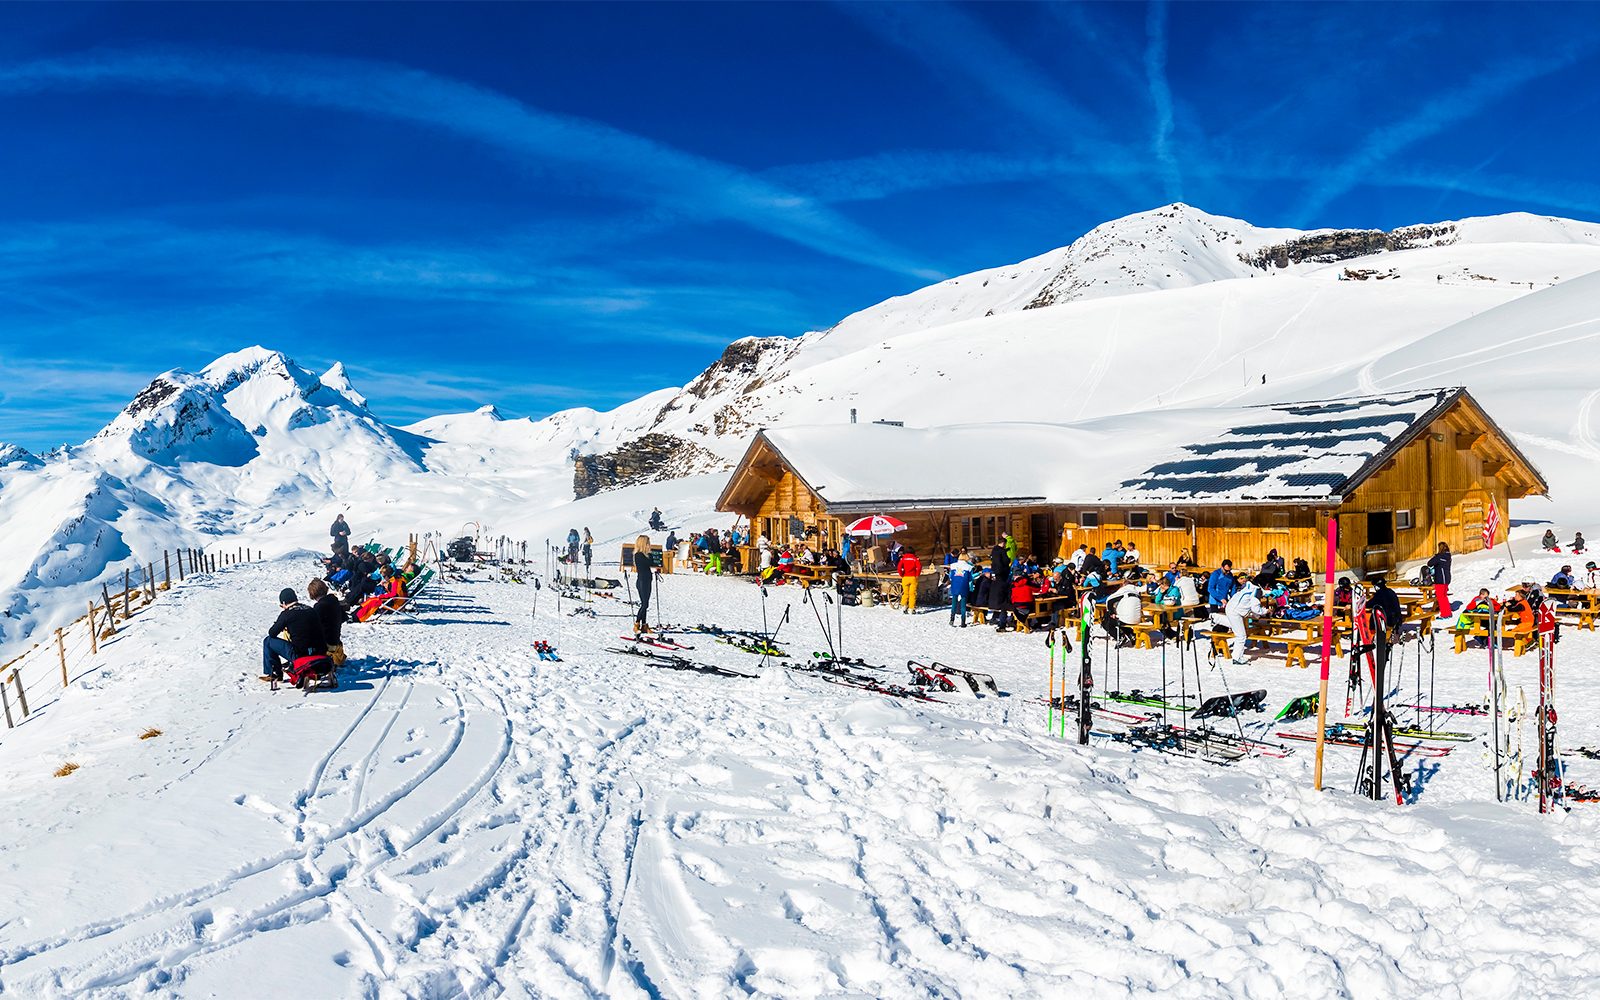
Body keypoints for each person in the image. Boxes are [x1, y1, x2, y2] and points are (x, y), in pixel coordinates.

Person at [261, 587, 327, 683]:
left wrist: (285, 626)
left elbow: (272, 633)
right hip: (320, 652)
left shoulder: (287, 614)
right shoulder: (311, 610)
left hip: (300, 654)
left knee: (268, 641)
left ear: (284, 603)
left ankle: (274, 674)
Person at [1222, 573, 1267, 664]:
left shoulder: (1248, 585)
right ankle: (1237, 658)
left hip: (1231, 606)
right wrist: (1265, 611)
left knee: (1235, 627)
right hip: (1236, 611)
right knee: (1241, 636)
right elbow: (1255, 609)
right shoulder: (1257, 590)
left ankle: (1216, 617)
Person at [307, 578, 346, 668]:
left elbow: (312, 626)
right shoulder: (333, 600)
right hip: (335, 640)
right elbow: (343, 617)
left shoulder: (319, 607)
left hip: (327, 643)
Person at [632, 535, 655, 633]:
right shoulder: (639, 555)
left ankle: (644, 625)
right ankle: (637, 623)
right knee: (644, 604)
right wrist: (650, 554)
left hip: (647, 580)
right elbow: (649, 562)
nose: (649, 545)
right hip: (642, 581)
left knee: (646, 604)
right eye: (647, 544)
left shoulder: (645, 555)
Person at [1425, 542, 1453, 616]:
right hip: (1447, 578)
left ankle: (1445, 614)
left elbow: (1429, 563)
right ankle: (1448, 612)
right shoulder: (1448, 556)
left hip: (1440, 579)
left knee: (1440, 597)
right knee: (1444, 596)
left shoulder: (1439, 557)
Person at [989, 540, 1012, 629]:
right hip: (1003, 573)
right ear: (1003, 543)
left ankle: (995, 616)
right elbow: (1006, 561)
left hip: (996, 572)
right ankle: (1000, 617)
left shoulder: (994, 550)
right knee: (1003, 596)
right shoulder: (1002, 551)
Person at [897, 546, 923, 614]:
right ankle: (911, 609)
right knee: (912, 594)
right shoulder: (915, 558)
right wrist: (917, 574)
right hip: (913, 577)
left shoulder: (903, 558)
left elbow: (899, 567)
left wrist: (902, 574)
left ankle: (903, 607)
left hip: (905, 577)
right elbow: (919, 567)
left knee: (905, 593)